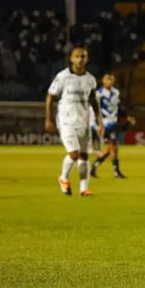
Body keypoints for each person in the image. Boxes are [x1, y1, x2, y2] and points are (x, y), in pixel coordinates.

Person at [45, 46, 103, 197]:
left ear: (87, 59)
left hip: (84, 121)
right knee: (74, 153)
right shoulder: (63, 76)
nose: (80, 59)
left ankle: (84, 189)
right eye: (77, 56)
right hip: (66, 121)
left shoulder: (90, 79)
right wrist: (48, 118)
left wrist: (99, 121)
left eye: (83, 57)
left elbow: (93, 100)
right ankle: (64, 178)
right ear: (71, 59)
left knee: (84, 156)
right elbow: (50, 96)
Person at [90, 72, 136, 179]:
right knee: (114, 146)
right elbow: (94, 110)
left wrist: (127, 117)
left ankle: (94, 167)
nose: (110, 81)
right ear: (103, 81)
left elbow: (118, 108)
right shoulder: (99, 94)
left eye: (111, 79)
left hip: (113, 123)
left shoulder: (116, 93)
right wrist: (97, 124)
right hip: (104, 124)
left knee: (112, 148)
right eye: (107, 79)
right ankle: (116, 172)